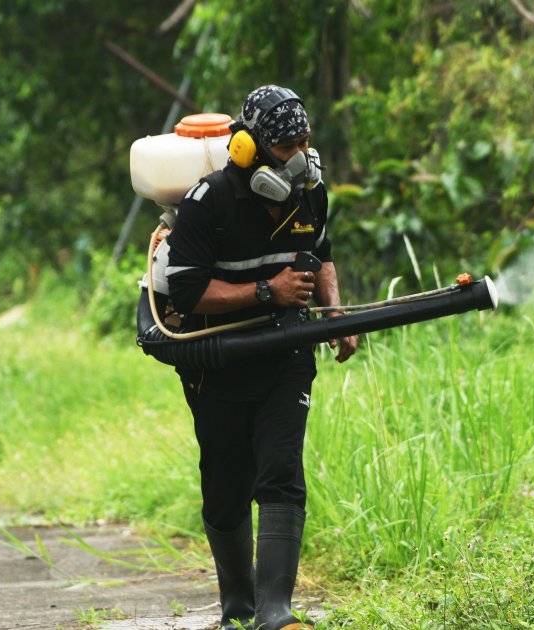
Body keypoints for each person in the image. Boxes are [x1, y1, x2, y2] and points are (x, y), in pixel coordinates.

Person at [163, 85, 358, 630]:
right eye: (287, 145)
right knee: (225, 487)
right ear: (250, 149)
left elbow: (321, 256)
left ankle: (276, 613)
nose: (299, 155)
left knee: (281, 473)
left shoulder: (310, 194)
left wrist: (336, 314)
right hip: (218, 362)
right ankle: (237, 612)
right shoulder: (210, 201)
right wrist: (266, 291)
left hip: (286, 356)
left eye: (305, 141)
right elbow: (185, 292)